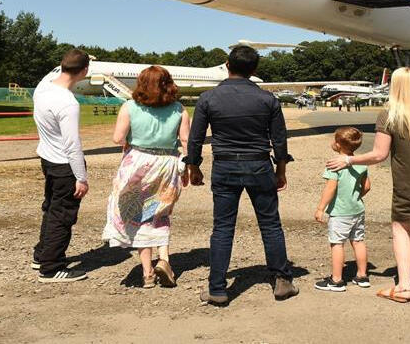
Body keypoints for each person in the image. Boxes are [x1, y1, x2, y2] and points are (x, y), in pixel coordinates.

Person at [186, 46, 298, 306]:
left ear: (227, 65)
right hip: (259, 165)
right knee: (270, 224)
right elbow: (279, 139)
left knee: (223, 227)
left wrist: (193, 166)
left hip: (225, 166)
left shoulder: (208, 98)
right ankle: (282, 280)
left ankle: (217, 287)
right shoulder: (268, 99)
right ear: (254, 70)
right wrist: (280, 170)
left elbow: (196, 138)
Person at [327, 67, 410, 303]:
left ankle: (404, 287)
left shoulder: (390, 115)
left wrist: (348, 159)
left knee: (401, 230)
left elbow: (379, 154)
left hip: (407, 183)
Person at [101, 66, 191, 289]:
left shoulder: (130, 107)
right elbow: (186, 142)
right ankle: (165, 261)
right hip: (167, 164)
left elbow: (117, 138)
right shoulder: (179, 109)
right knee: (158, 213)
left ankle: (147, 272)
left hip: (138, 164)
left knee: (138, 215)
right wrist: (188, 169)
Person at [32, 49, 91, 283]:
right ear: (85, 71)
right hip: (64, 165)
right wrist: (82, 177)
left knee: (51, 209)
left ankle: (42, 255)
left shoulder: (43, 90)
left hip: (47, 159)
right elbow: (72, 144)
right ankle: (51, 267)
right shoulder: (68, 103)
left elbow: (50, 75)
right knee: (62, 216)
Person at [314, 127, 371, 292]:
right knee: (358, 241)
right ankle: (362, 275)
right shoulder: (361, 163)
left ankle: (337, 280)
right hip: (357, 209)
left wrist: (320, 208)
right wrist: (355, 196)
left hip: (340, 212)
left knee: (337, 244)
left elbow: (330, 188)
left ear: (338, 144)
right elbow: (367, 187)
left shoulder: (334, 164)